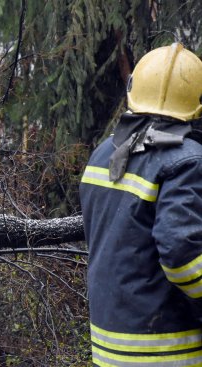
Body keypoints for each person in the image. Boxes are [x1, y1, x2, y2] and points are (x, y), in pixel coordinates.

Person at [80, 43, 202, 366]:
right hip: (167, 351)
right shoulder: (187, 161)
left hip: (109, 348)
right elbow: (182, 256)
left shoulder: (104, 154)